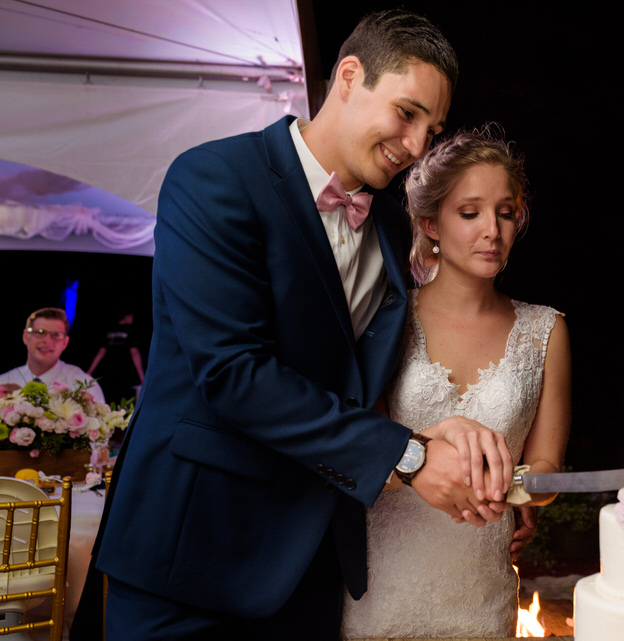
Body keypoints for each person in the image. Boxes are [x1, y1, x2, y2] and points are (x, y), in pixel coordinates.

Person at [90, 10, 514, 640]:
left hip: (312, 572)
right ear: (349, 76)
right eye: (407, 113)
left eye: (434, 126)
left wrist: (429, 425)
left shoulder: (392, 228)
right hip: (190, 559)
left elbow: (340, 379)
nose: (421, 144)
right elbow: (233, 375)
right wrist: (406, 453)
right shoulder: (212, 179)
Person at [341, 128, 572, 638]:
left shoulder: (546, 331)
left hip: (480, 594)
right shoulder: (383, 321)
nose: (492, 230)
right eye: (470, 213)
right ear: (431, 223)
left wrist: (522, 495)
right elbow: (357, 443)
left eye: (506, 213)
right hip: (383, 587)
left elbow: (548, 468)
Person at [0, 307, 105, 403]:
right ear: (25, 336)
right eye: (40, 332)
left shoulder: (83, 387)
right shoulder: (4, 382)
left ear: (65, 342)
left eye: (56, 335)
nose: (47, 341)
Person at [86, 308, 145, 404]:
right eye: (132, 317)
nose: (132, 319)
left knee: (110, 400)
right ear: (127, 316)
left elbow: (101, 352)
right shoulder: (130, 330)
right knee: (122, 402)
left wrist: (90, 371)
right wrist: (142, 377)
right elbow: (134, 353)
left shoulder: (110, 329)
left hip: (109, 372)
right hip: (124, 374)